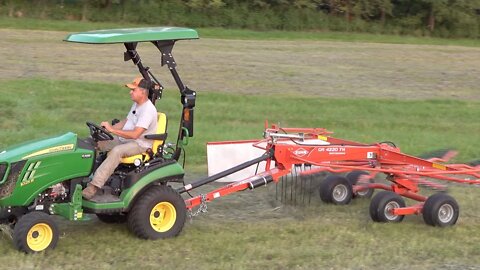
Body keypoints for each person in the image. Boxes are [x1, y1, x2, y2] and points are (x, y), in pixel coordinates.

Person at [82, 77, 158, 200]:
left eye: (133, 90)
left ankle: (94, 186)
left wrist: (112, 131)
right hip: (126, 139)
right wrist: (106, 131)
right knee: (93, 142)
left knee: (117, 151)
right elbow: (125, 122)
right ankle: (82, 176)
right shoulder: (137, 105)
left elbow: (135, 135)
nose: (130, 92)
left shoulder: (148, 110)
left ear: (143, 92)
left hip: (139, 144)